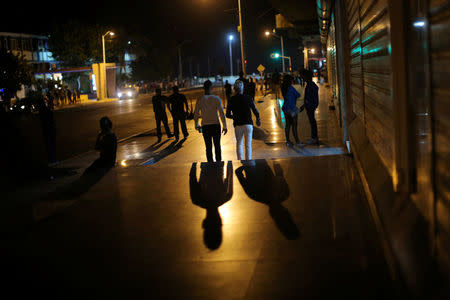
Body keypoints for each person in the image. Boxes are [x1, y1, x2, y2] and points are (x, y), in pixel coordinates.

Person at [226, 80, 261, 160]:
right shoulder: (248, 98)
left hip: (238, 125)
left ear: (234, 89)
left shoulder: (231, 100)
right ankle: (248, 161)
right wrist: (258, 118)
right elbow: (255, 110)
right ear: (243, 88)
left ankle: (240, 161)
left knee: (239, 144)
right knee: (248, 145)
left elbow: (227, 114)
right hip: (248, 124)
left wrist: (234, 117)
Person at [194, 80, 227, 163]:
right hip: (216, 125)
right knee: (217, 146)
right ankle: (219, 164)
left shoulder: (200, 100)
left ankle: (210, 164)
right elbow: (221, 113)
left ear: (203, 88)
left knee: (208, 147)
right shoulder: (216, 99)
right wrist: (225, 126)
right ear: (211, 88)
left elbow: (196, 113)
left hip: (205, 126)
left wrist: (196, 124)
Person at [281, 74, 303, 147]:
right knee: (294, 125)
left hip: (285, 108)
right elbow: (298, 95)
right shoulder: (291, 88)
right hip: (292, 109)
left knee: (287, 125)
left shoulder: (283, 88)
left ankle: (288, 141)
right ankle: (297, 141)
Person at [303, 70, 319, 144]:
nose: (303, 78)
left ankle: (314, 138)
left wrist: (308, 104)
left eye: (304, 76)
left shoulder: (310, 85)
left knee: (312, 121)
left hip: (310, 106)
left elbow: (310, 97)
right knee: (312, 121)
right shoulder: (311, 84)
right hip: (310, 105)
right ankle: (314, 137)